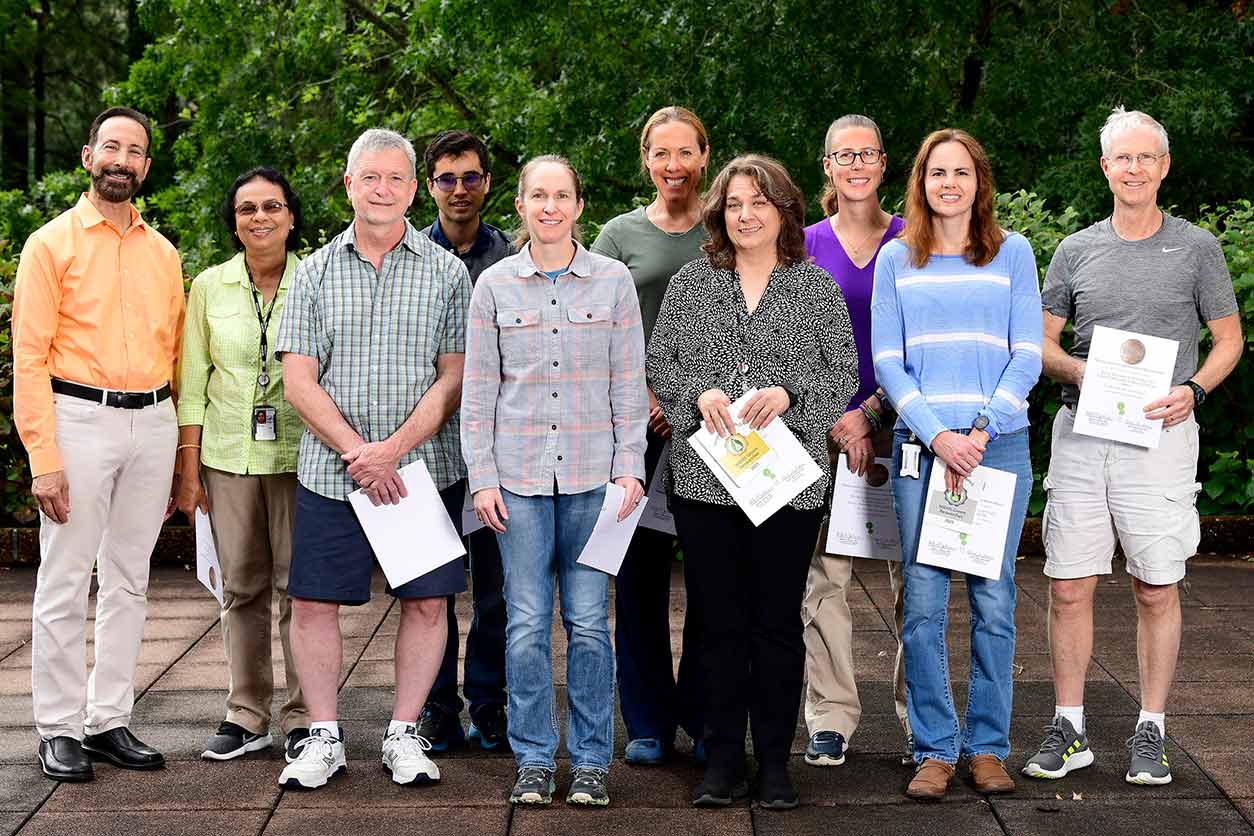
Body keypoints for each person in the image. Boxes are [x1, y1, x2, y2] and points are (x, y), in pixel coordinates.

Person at [1023, 107, 1242, 787]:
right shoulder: (1075, 251)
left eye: (1147, 158)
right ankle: (1070, 726)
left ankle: (1152, 729)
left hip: (1162, 434)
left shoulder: (1197, 248)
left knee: (1156, 587)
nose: (1135, 169)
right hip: (1083, 434)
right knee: (1068, 586)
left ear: (1164, 167)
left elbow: (1229, 340)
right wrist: (1083, 372)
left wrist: (1195, 392)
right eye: (1123, 158)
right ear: (1105, 169)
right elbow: (1041, 342)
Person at [648, 154, 857, 810]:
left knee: (776, 624)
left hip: (788, 486)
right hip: (708, 483)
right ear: (720, 213)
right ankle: (721, 760)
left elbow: (843, 374)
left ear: (784, 211)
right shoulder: (692, 283)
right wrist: (698, 393)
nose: (745, 215)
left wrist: (791, 393)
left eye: (758, 203)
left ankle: (773, 761)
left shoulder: (815, 287)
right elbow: (661, 360)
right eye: (734, 204)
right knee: (718, 624)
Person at [272, 128, 472, 790]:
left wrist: (392, 452)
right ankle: (323, 736)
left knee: (426, 603)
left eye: (395, 179)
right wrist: (361, 452)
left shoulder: (447, 271)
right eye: (369, 178)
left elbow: (454, 376)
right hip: (334, 475)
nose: (381, 190)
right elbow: (298, 379)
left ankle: (404, 733)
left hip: (420, 472)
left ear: (413, 189)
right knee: (312, 605)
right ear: (349, 184)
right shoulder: (313, 272)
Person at [461, 155, 647, 807]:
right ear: (519, 204)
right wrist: (482, 477)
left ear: (578, 204)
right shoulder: (493, 288)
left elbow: (629, 383)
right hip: (517, 482)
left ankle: (592, 761)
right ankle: (535, 759)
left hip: (598, 482)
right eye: (538, 195)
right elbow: (480, 391)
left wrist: (632, 469)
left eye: (561, 195)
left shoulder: (613, 282)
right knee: (526, 621)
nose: (549, 206)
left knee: (591, 624)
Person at [871, 128, 1042, 800]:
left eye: (961, 172)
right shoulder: (897, 260)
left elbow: (1026, 351)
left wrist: (977, 429)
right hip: (923, 446)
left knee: (994, 602)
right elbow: (888, 360)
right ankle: (935, 749)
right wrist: (940, 435)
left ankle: (988, 748)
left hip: (996, 447)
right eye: (937, 172)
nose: (949, 183)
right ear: (921, 181)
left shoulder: (1013, 254)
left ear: (980, 181)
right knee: (922, 602)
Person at [13, 106, 183, 782]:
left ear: (145, 166)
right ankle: (57, 728)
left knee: (130, 581)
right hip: (79, 418)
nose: (122, 159)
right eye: (110, 146)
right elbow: (28, 355)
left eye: (135, 150)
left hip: (153, 423)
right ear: (88, 157)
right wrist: (44, 460)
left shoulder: (164, 253)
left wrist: (176, 454)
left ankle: (108, 718)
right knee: (63, 579)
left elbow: (172, 354)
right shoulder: (50, 244)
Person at [175, 167, 309, 761]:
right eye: (247, 209)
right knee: (240, 587)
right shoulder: (207, 287)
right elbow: (193, 382)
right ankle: (247, 714)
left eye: (272, 207)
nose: (260, 218)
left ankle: (307, 717)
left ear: (291, 216)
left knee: (300, 589)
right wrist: (188, 471)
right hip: (226, 456)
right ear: (234, 221)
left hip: (302, 455)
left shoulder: (317, 279)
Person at [591, 105, 710, 765]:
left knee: (712, 582)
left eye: (684, 153)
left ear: (703, 156)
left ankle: (700, 716)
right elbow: (600, 331)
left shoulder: (723, 233)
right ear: (646, 160)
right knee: (636, 580)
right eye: (660, 154)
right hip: (634, 431)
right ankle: (646, 722)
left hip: (709, 428)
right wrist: (645, 400)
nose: (673, 166)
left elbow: (742, 320)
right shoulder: (618, 236)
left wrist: (686, 399)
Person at [801, 114, 912, 769]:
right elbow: (787, 342)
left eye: (867, 153)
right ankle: (831, 718)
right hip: (823, 433)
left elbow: (928, 342)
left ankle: (919, 718)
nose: (856, 164)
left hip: (907, 429)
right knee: (823, 583)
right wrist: (838, 420)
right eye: (844, 155)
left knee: (915, 586)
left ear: (883, 162)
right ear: (828, 167)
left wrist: (872, 414)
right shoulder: (806, 243)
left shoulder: (914, 240)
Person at [416, 130, 513, 752]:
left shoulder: (514, 259)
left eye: (470, 177)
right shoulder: (408, 257)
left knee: (498, 592)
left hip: (500, 453)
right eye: (447, 179)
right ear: (430, 186)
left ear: (487, 184)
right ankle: (434, 707)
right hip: (429, 451)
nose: (459, 190)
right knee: (431, 589)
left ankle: (489, 703)